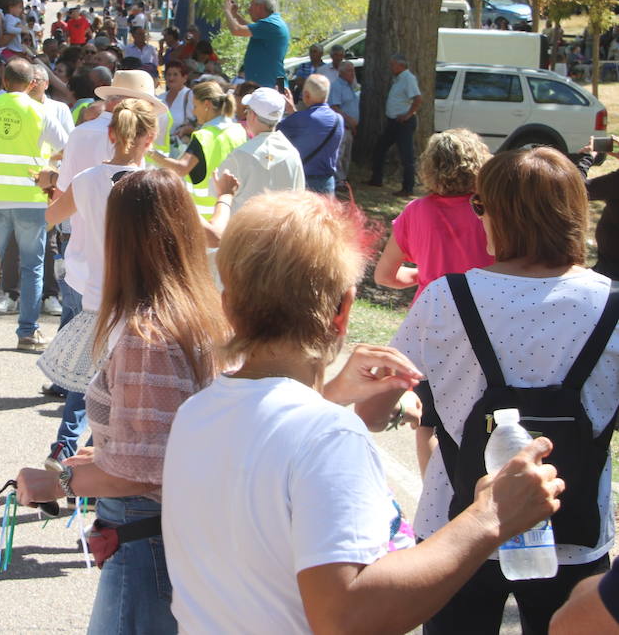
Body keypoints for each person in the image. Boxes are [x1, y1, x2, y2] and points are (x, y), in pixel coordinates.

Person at [163, 190, 567, 634]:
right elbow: (345, 617)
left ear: (229, 308)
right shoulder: (328, 436)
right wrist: (491, 515)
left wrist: (328, 398)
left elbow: (267, 469)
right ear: (343, 310)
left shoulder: (195, 413)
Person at [391, 146, 618, 633]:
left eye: (481, 204)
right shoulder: (613, 306)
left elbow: (394, 382)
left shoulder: (444, 298)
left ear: (502, 213)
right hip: (573, 528)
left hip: (459, 526)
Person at [18, 168, 227, 634]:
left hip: (143, 537)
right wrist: (109, 446)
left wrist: (57, 481)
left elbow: (143, 471)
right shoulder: (200, 313)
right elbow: (166, 437)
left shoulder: (147, 338)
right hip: (172, 531)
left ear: (124, 238)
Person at [43, 99, 160, 463]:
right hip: (139, 303)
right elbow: (206, 237)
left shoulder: (88, 179)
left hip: (94, 296)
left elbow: (50, 216)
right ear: (150, 138)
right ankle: (98, 463)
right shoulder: (156, 184)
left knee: (90, 383)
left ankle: (66, 450)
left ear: (111, 133)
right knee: (121, 391)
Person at [0, 57, 70, 352]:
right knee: (31, 266)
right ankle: (28, 332)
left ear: (4, 81)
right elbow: (66, 148)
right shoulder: (40, 111)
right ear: (32, 84)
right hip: (31, 200)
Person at [374, 129, 492, 301]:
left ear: (429, 166)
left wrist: (429, 274)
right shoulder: (492, 210)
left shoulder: (415, 211)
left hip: (431, 315)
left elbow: (384, 276)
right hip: (485, 311)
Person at [159, 80, 246, 219]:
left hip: (205, 218)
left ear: (207, 104)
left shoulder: (203, 136)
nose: (193, 111)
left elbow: (181, 168)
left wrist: (151, 153)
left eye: (195, 105)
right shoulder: (239, 131)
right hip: (232, 211)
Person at [220, 87, 304, 210]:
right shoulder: (293, 154)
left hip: (243, 226)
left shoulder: (239, 155)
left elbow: (217, 191)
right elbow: (299, 198)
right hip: (279, 227)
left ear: (253, 115)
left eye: (247, 111)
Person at [276, 74, 343, 195]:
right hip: (328, 182)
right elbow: (310, 125)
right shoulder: (339, 119)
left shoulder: (299, 119)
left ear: (306, 95)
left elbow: (274, 130)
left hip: (304, 182)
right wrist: (293, 111)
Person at [369, 52, 423, 196]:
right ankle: (377, 178)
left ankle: (408, 187)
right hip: (393, 122)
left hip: (403, 123)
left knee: (406, 155)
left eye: (393, 64)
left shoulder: (408, 78)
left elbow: (418, 99)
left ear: (401, 65)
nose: (390, 67)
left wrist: (407, 115)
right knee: (380, 148)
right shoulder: (398, 79)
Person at [221, 0, 289, 88]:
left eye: (251, 6)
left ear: (260, 7)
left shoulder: (271, 24)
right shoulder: (271, 23)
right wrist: (235, 15)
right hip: (270, 83)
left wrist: (227, 11)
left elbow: (236, 30)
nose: (249, 9)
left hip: (270, 86)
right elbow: (248, 28)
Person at [327, 60, 360, 188]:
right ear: (341, 73)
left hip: (350, 128)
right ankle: (338, 180)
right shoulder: (336, 86)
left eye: (353, 70)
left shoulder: (351, 85)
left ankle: (343, 179)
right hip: (342, 126)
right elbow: (334, 107)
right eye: (349, 71)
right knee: (339, 155)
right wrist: (349, 120)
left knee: (347, 155)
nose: (353, 73)